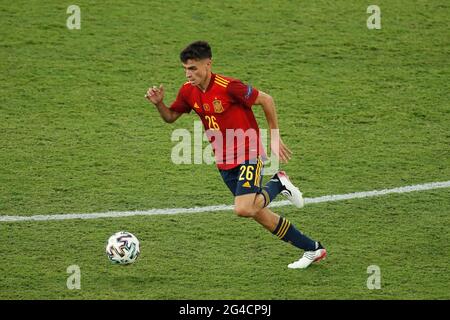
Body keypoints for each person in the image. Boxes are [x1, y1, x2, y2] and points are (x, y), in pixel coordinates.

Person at [145, 41, 326, 269]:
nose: (188, 74)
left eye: (193, 68)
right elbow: (171, 117)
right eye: (185, 69)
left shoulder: (229, 87)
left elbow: (266, 100)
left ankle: (278, 183)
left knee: (244, 208)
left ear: (208, 64)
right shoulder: (187, 91)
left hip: (248, 152)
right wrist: (159, 104)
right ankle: (313, 249)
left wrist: (275, 136)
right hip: (223, 161)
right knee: (258, 213)